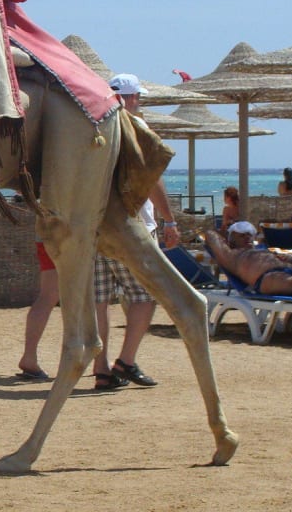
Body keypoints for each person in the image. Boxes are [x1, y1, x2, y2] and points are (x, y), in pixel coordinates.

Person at [91, 74, 181, 391]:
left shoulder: (94, 132)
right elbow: (151, 179)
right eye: (137, 98)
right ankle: (126, 361)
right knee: (146, 296)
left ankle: (101, 369)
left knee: (98, 302)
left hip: (95, 229)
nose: (139, 103)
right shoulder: (136, 131)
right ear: (129, 99)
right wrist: (169, 220)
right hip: (132, 228)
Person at [206, 222, 292, 297]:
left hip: (287, 273)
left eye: (249, 234)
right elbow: (210, 235)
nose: (247, 237)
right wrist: (223, 231)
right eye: (242, 235)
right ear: (231, 240)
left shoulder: (259, 250)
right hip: (266, 279)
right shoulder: (232, 256)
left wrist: (290, 261)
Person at [16, 240, 59, 381]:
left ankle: (29, 356)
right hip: (72, 235)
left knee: (46, 297)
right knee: (92, 300)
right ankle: (99, 364)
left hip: (46, 234)